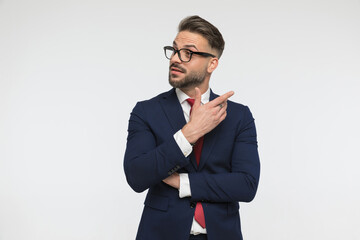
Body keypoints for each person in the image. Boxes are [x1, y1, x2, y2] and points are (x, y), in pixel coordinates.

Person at [124, 15, 260, 240]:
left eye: (188, 52)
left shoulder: (239, 116)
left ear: (212, 63)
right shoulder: (146, 111)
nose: (175, 59)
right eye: (174, 50)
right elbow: (137, 176)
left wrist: (182, 182)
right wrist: (189, 133)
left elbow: (246, 185)